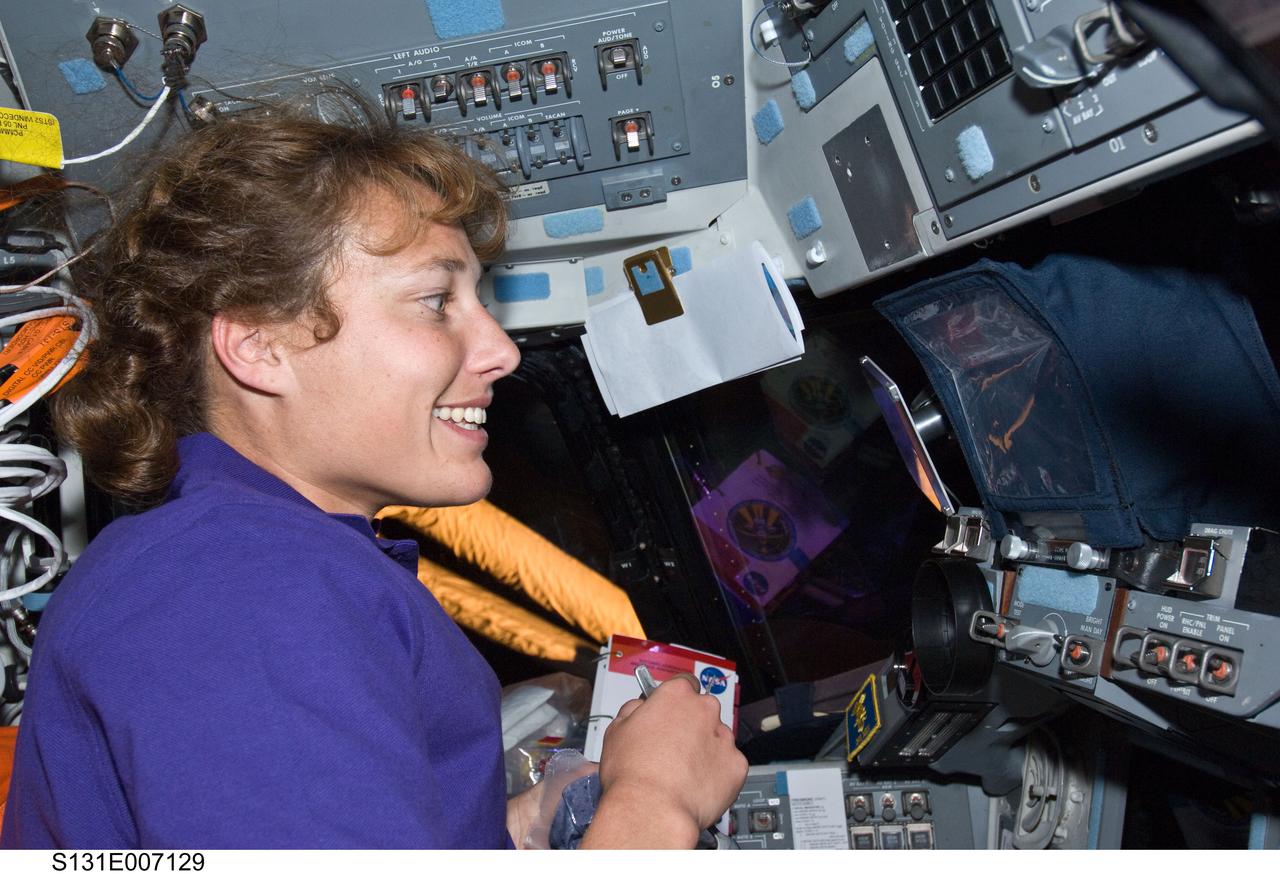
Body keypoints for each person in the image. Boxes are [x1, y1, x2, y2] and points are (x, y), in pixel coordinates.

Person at [0, 101, 747, 849]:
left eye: (480, 301)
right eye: (435, 301)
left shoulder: (253, 560)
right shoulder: (238, 584)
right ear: (260, 346)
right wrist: (655, 802)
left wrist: (515, 827)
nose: (502, 350)